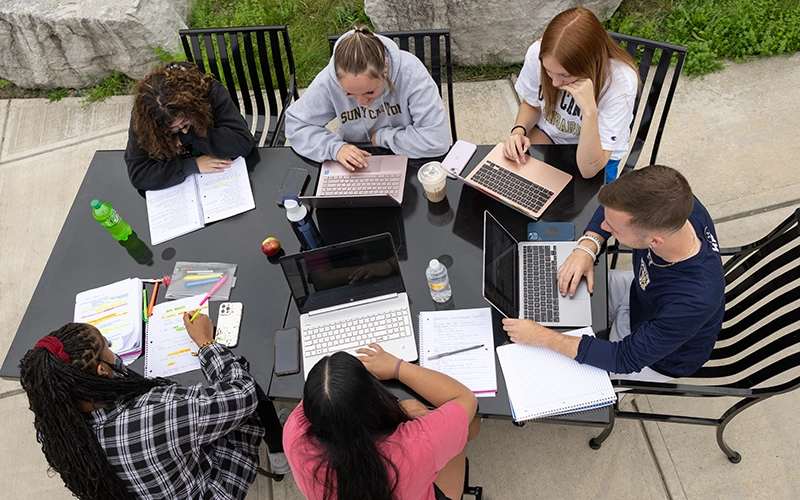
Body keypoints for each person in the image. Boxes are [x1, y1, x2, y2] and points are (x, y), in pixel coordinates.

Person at [18, 314, 287, 499]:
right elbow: (243, 393)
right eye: (107, 346)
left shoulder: (60, 429)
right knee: (248, 392)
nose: (114, 351)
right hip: (210, 490)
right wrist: (206, 343)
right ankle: (280, 451)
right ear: (101, 370)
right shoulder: (154, 414)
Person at [502, 165, 725, 382]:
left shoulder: (694, 300)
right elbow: (613, 205)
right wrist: (587, 246)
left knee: (547, 370)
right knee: (548, 286)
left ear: (655, 241)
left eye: (613, 229)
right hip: (638, 294)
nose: (605, 228)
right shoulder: (674, 202)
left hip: (658, 359)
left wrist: (542, 337)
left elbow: (622, 358)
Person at [283, 346, 480, 500]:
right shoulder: (416, 444)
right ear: (373, 396)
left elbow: (331, 402)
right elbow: (465, 399)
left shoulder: (293, 433)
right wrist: (397, 367)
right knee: (471, 424)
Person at [285, 26, 450, 170]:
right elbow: (296, 124)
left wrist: (381, 137)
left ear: (385, 67)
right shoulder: (328, 80)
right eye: (349, 94)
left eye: (369, 92)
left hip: (408, 156)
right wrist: (335, 148)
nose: (362, 103)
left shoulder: (411, 73)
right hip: (353, 161)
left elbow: (436, 140)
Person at [503, 7, 639, 183]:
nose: (555, 84)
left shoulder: (621, 82)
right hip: (550, 137)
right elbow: (531, 104)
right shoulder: (537, 53)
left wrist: (590, 111)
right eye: (548, 71)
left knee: (581, 206)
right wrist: (518, 131)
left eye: (566, 75)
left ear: (591, 64)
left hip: (599, 152)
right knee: (515, 184)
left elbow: (589, 170)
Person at [125, 61, 255, 191]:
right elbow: (139, 174)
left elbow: (242, 142)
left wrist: (186, 137)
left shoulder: (210, 92)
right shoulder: (146, 116)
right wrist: (190, 166)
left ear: (194, 108)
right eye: (173, 129)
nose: (184, 130)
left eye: (186, 122)